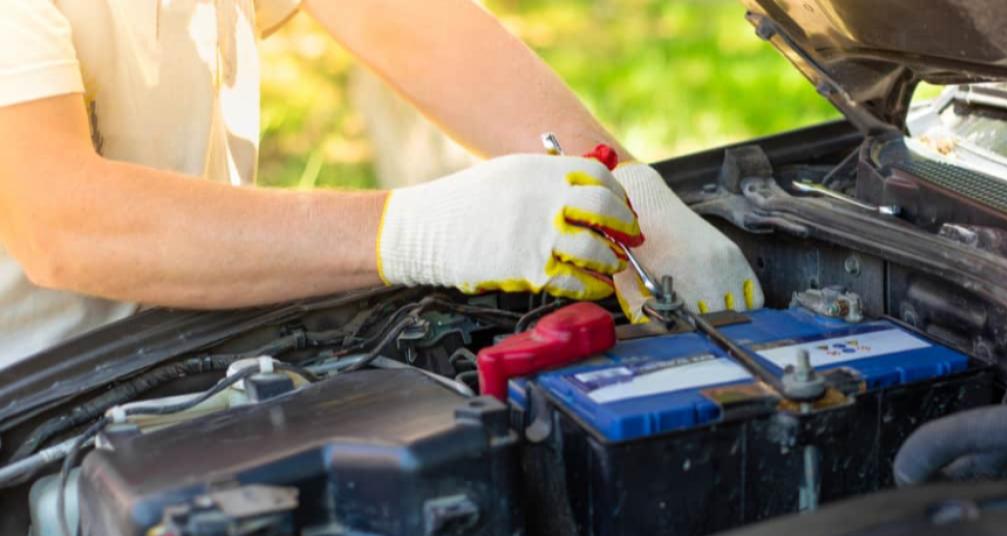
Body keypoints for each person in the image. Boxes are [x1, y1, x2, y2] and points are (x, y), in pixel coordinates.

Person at [0, 0, 763, 368]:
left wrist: (632, 190)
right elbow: (62, 223)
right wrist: (411, 231)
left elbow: (397, 16)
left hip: (194, 347)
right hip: (34, 421)